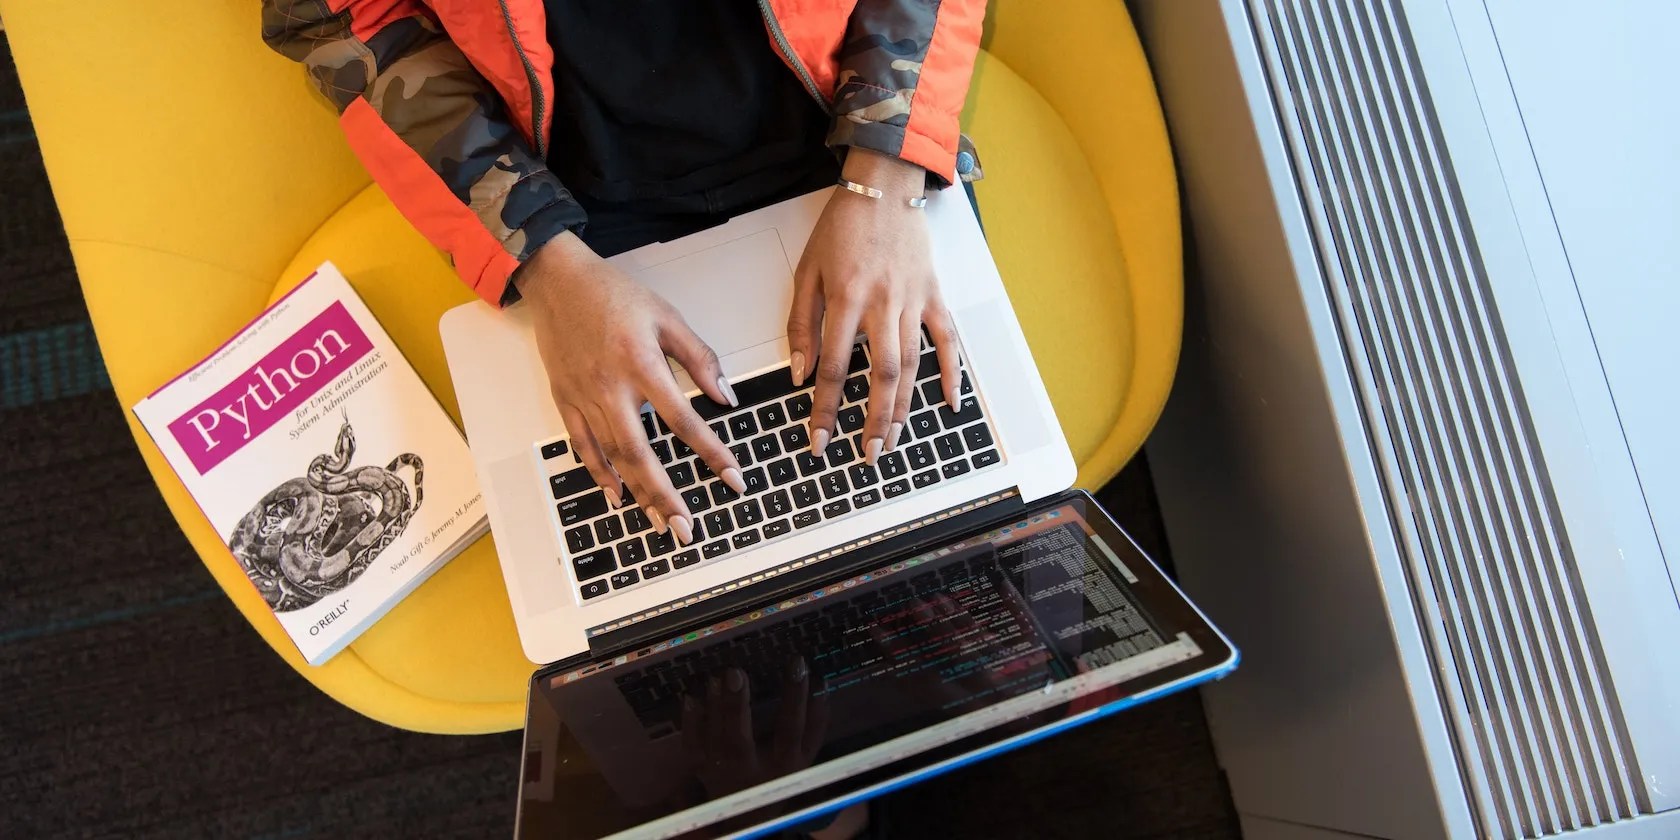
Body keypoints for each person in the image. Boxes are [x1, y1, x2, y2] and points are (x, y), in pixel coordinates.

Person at [260, 1, 985, 562]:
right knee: (673, 591)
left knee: (965, 527)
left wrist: (886, 174)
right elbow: (339, 17)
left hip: (852, 140)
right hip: (568, 220)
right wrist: (539, 255)